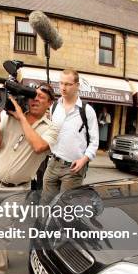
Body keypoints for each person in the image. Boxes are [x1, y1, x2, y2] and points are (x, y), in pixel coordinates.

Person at [0, 85, 58, 274]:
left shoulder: (51, 128)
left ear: (49, 103)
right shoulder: (10, 117)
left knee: (0, 229)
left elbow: (39, 146)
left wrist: (21, 117)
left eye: (40, 97)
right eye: (32, 96)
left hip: (17, 190)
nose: (35, 100)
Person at [40, 68, 98, 205]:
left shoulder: (87, 111)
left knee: (64, 209)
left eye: (67, 84)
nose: (63, 88)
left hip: (73, 168)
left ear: (77, 86)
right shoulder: (54, 107)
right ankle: (42, 227)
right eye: (61, 83)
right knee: (45, 204)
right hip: (53, 163)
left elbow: (94, 142)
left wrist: (84, 160)